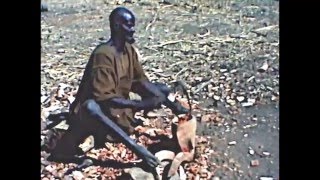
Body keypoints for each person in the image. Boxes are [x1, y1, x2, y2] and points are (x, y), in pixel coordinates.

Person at [47, 7, 188, 170]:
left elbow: (140, 81)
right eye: (128, 25)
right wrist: (142, 105)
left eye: (133, 25)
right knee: (90, 107)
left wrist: (167, 102)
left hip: (119, 107)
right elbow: (104, 99)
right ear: (116, 26)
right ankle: (137, 149)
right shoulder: (103, 55)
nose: (133, 29)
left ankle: (183, 122)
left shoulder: (128, 50)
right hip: (96, 114)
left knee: (160, 88)